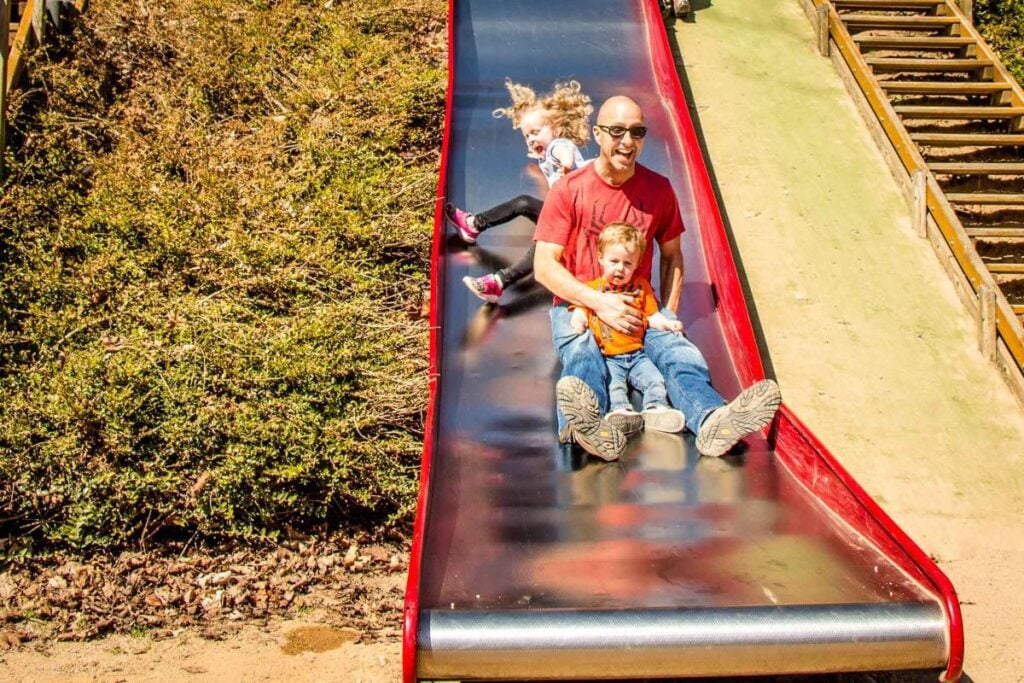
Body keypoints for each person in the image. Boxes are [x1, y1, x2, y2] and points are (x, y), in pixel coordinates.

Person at [534, 95, 781, 461]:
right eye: (617, 131)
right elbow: (544, 266)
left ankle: (711, 419)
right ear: (597, 134)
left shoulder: (659, 190)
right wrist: (599, 302)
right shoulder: (569, 190)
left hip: (637, 303)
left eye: (637, 132)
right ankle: (590, 428)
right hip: (580, 305)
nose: (627, 141)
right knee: (583, 351)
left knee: (678, 351)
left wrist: (666, 313)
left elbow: (672, 256)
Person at [446, 79, 592, 303]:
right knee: (524, 203)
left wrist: (563, 168)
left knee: (541, 244)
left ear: (554, 128)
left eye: (536, 132)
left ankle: (498, 280)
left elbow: (567, 156)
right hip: (563, 215)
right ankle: (474, 225)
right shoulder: (547, 154)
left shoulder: (558, 146)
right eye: (527, 136)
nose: (532, 139)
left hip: (574, 223)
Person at [569, 222, 686, 435]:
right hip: (609, 357)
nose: (620, 268)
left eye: (627, 263)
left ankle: (656, 408)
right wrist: (579, 320)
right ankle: (620, 412)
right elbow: (580, 309)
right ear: (601, 258)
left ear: (636, 265)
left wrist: (668, 323)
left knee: (655, 380)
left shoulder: (641, 287)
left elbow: (652, 316)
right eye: (614, 261)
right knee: (615, 387)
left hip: (638, 355)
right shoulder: (593, 290)